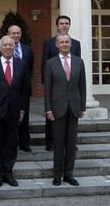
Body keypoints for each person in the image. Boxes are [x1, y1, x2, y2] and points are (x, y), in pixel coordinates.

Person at [0, 36, 29, 187]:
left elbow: (24, 90)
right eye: (5, 45)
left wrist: (22, 109)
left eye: (11, 45)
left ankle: (8, 172)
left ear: (14, 47)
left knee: (11, 143)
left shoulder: (21, 64)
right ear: (0, 48)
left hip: (14, 111)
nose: (8, 47)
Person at [44, 34, 86, 187]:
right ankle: (57, 176)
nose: (64, 44)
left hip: (74, 108)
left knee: (71, 143)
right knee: (59, 143)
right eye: (61, 42)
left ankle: (69, 174)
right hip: (57, 108)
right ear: (57, 45)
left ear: (70, 44)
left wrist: (82, 106)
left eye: (67, 42)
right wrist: (48, 109)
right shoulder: (50, 63)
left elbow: (82, 86)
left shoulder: (79, 61)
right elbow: (47, 89)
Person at [41, 15, 81, 151]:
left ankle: (70, 143)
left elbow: (78, 65)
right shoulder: (49, 42)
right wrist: (45, 82)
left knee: (70, 117)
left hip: (70, 87)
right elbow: (44, 63)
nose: (64, 25)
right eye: (61, 23)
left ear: (69, 25)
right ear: (57, 25)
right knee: (51, 116)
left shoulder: (76, 43)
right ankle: (51, 142)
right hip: (54, 85)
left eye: (66, 23)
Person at [7, 25, 34, 153]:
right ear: (9, 34)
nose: (16, 35)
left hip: (23, 90)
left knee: (24, 117)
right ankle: (9, 142)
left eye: (18, 33)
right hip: (7, 90)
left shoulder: (27, 50)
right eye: (13, 33)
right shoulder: (1, 50)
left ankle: (24, 143)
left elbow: (30, 70)